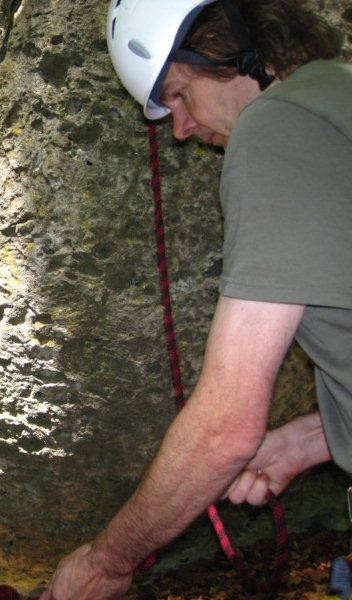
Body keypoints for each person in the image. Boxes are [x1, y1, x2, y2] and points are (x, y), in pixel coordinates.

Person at [42, 0, 351, 598]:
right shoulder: (337, 95)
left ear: (223, 48)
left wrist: (108, 562)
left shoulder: (275, 129)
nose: (179, 129)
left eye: (178, 94)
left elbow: (225, 426)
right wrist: (312, 439)